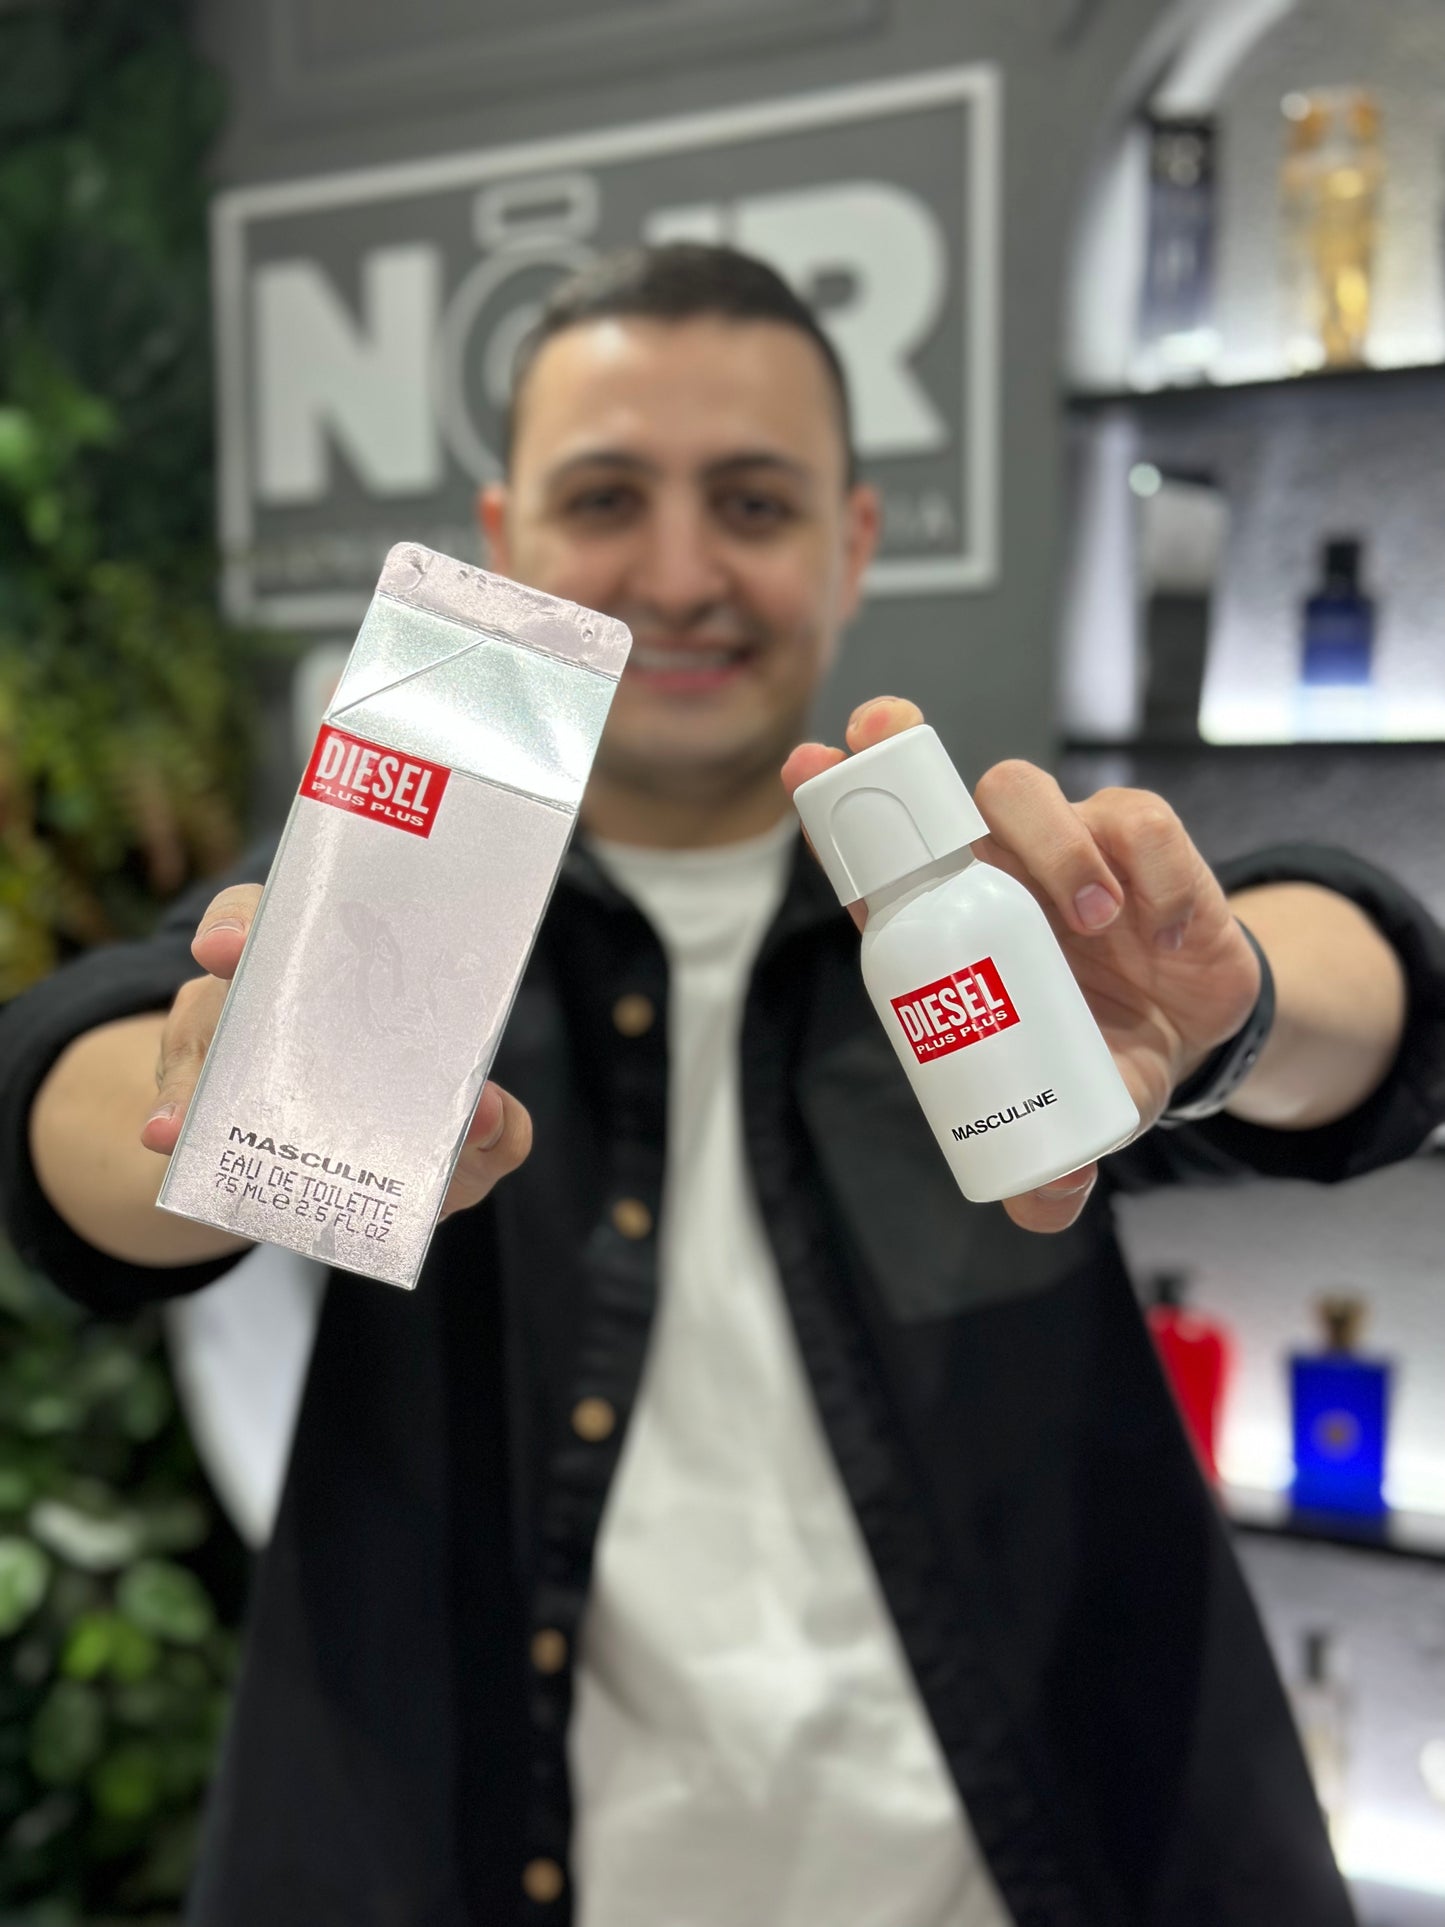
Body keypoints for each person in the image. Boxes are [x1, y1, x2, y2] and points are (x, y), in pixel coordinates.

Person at [4, 245, 1443, 1927]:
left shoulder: (987, 915)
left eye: (752, 505)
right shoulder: (379, 917)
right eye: (605, 498)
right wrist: (207, 1119)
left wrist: (1230, 1002)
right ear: (504, 538)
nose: (679, 575)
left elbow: (1378, 992)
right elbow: (63, 1091)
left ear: (851, 544)